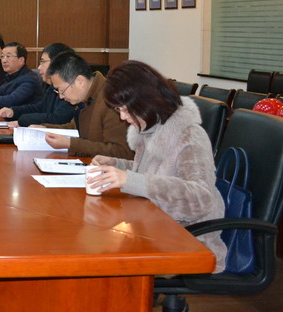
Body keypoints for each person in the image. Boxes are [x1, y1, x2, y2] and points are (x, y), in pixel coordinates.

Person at [90, 60, 227, 273]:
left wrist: (129, 180)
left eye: (125, 110)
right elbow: (154, 171)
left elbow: (200, 199)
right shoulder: (151, 127)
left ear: (144, 100)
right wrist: (116, 164)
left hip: (187, 240)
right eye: (118, 110)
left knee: (103, 259)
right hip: (152, 229)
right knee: (99, 243)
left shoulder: (189, 135)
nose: (123, 117)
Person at [43, 51, 133, 159]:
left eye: (62, 90)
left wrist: (71, 144)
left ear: (80, 81)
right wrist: (44, 128)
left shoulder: (110, 100)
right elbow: (75, 127)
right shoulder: (86, 96)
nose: (61, 96)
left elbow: (121, 152)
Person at [0, 42, 75, 127]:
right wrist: (13, 111)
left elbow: (58, 118)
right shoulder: (52, 87)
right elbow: (40, 107)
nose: (39, 67)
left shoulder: (70, 89)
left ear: (58, 63)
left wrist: (22, 120)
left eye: (43, 62)